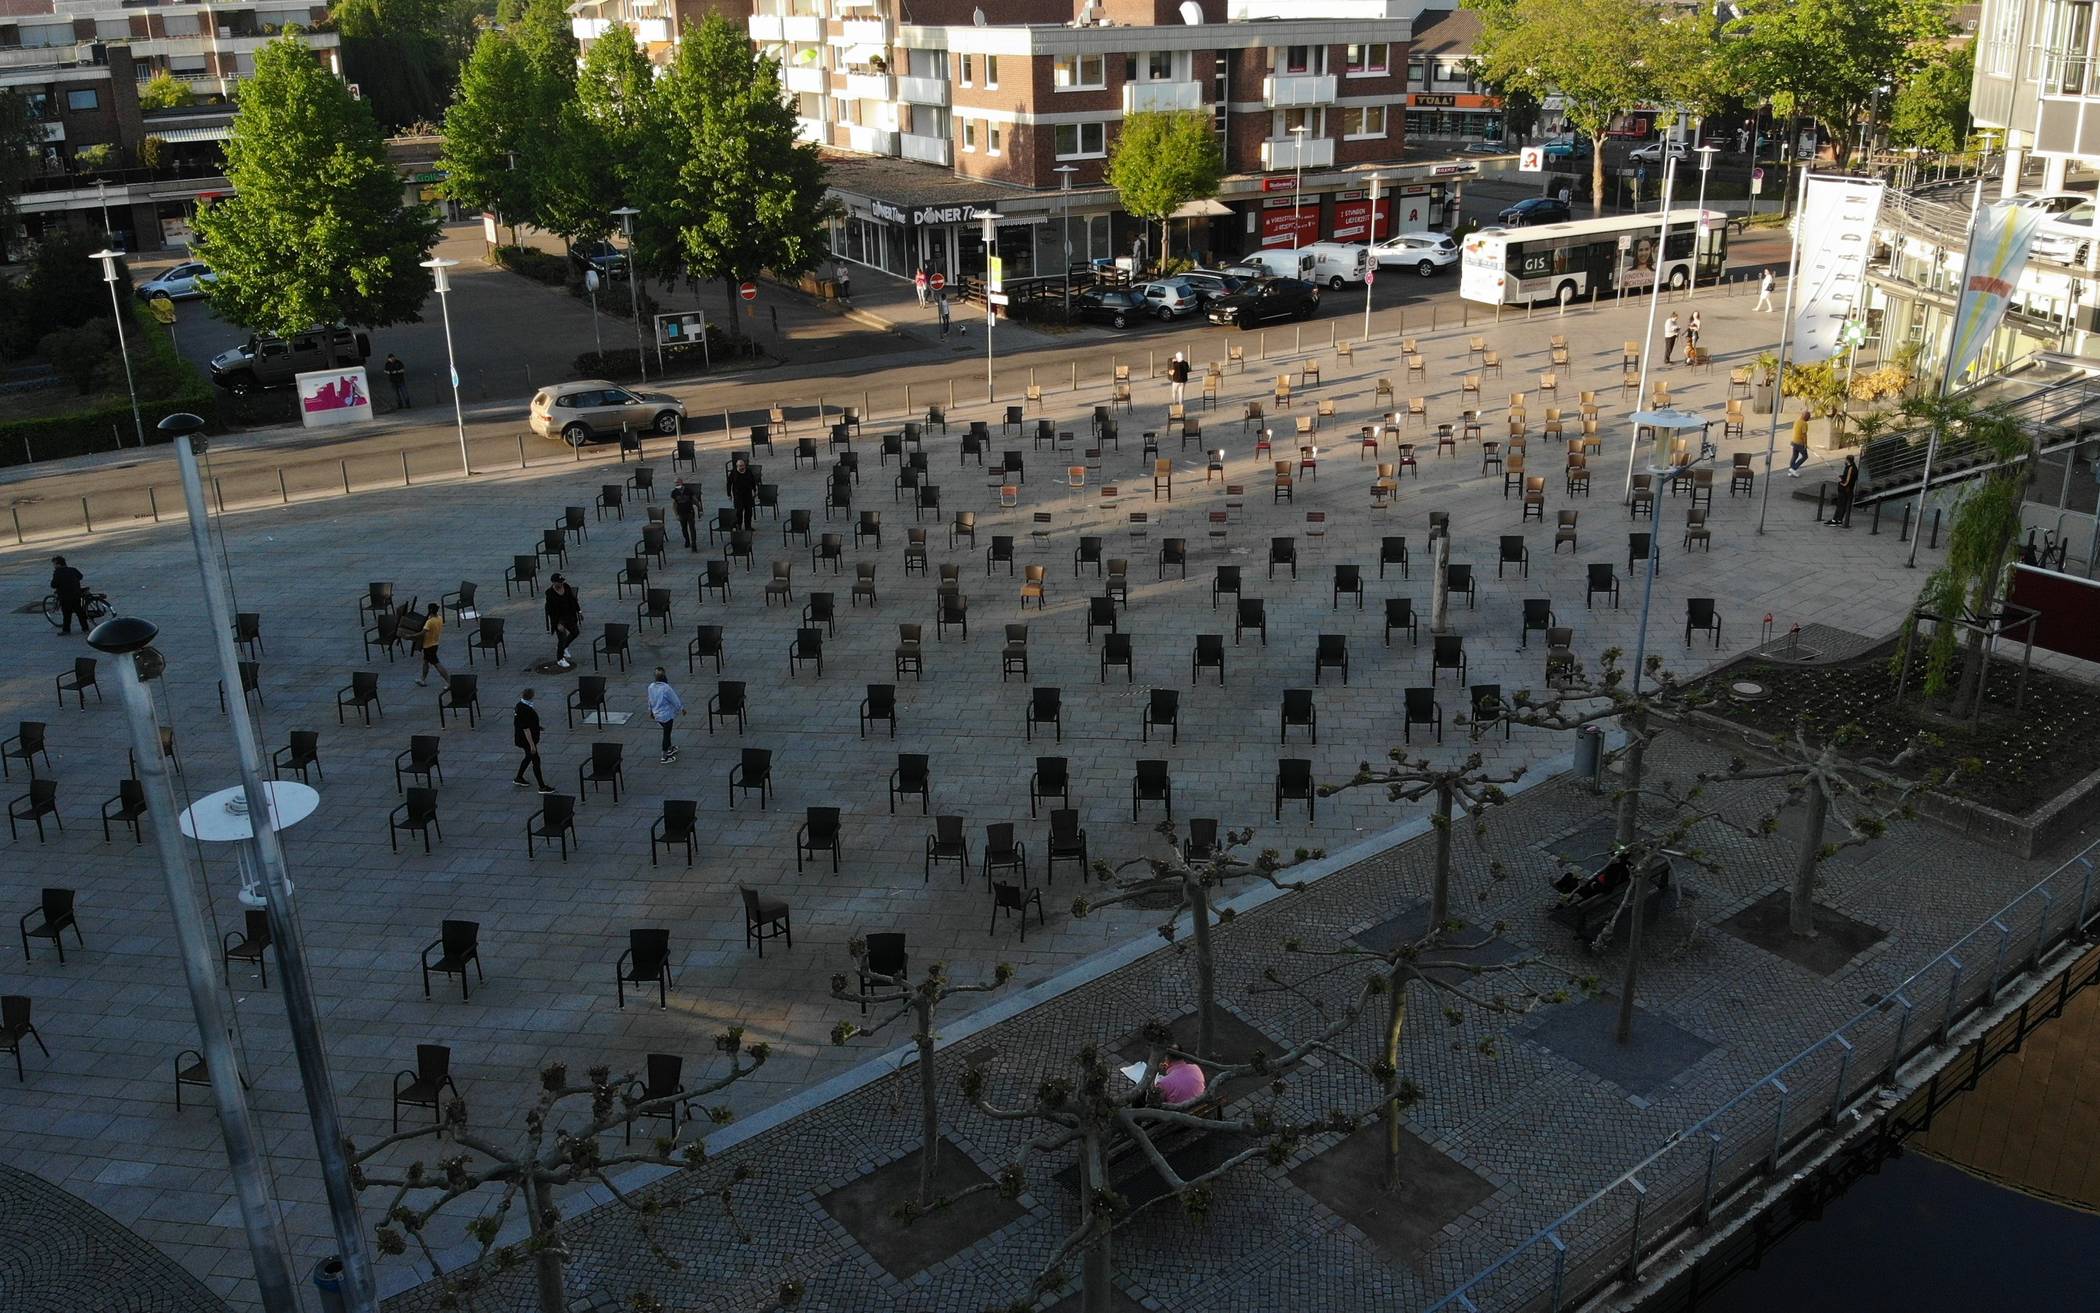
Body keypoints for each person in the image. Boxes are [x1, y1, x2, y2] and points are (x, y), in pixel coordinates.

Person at [512, 688, 552, 791]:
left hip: (521, 738)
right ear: (531, 696)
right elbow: (526, 729)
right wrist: (532, 745)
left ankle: (519, 777)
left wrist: (537, 727)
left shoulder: (519, 705)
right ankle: (542, 786)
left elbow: (524, 723)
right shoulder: (526, 709)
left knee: (528, 757)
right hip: (526, 740)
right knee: (536, 761)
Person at [646, 666, 684, 763]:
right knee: (666, 734)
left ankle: (670, 748)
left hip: (657, 714)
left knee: (667, 731)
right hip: (666, 715)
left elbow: (650, 700)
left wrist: (650, 711)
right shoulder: (666, 688)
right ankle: (664, 756)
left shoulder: (651, 687)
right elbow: (674, 700)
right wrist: (681, 708)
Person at [544, 574, 581, 669]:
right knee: (562, 637)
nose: (561, 583)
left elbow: (573, 600)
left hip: (569, 615)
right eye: (559, 582)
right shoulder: (550, 593)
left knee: (575, 632)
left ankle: (565, 646)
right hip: (559, 618)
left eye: (562, 582)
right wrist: (557, 624)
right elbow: (550, 610)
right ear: (554, 582)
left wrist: (579, 611)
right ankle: (560, 659)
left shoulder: (566, 587)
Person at [49, 555, 89, 635]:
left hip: (65, 597)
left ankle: (66, 630)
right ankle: (85, 628)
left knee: (66, 614)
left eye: (54, 564)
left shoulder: (57, 572)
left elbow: (53, 585)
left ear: (58, 564)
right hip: (76, 594)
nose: (54, 566)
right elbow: (80, 576)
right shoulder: (72, 569)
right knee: (80, 612)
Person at [413, 602, 450, 687]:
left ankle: (449, 681)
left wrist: (410, 636)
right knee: (425, 662)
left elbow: (422, 633)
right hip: (435, 643)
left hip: (428, 646)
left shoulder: (429, 622)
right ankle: (422, 679)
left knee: (437, 664)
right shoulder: (439, 618)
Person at [727, 457, 759, 531]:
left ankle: (748, 526)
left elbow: (752, 481)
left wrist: (754, 490)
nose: (741, 467)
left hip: (747, 495)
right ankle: (739, 526)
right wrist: (729, 494)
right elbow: (729, 483)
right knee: (739, 512)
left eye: (743, 465)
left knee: (748, 511)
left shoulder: (748, 472)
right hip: (738, 496)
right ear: (737, 466)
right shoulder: (733, 473)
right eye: (740, 466)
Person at [1828, 455, 1859, 527]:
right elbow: (1847, 477)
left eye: (1845, 460)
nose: (1844, 461)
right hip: (1845, 489)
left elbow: (1847, 482)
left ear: (1848, 460)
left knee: (1841, 505)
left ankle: (1837, 520)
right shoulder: (1849, 467)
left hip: (1845, 490)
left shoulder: (1851, 469)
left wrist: (1841, 480)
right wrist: (1841, 477)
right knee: (1841, 505)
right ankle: (1836, 520)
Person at [671, 478, 699, 551]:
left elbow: (694, 500)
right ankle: (687, 540)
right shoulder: (674, 492)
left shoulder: (688, 490)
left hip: (690, 512)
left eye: (678, 482)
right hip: (681, 513)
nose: (677, 484)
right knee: (684, 528)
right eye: (676, 483)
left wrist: (700, 508)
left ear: (681, 482)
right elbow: (674, 504)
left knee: (692, 529)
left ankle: (694, 544)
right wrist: (676, 515)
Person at [1788, 410, 1811, 476]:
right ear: (1805, 417)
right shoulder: (1804, 423)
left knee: (1795, 456)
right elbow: (1804, 435)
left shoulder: (1797, 421)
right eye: (1808, 417)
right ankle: (1794, 468)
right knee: (1805, 456)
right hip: (1799, 443)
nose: (1809, 419)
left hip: (1794, 441)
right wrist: (1805, 444)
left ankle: (1791, 470)